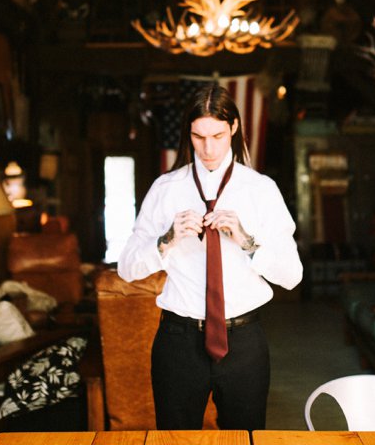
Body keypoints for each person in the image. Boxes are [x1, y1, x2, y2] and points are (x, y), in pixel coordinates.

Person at [118, 84, 302, 430]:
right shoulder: (165, 189)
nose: (207, 148)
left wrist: (248, 242)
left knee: (245, 441)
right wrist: (166, 240)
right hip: (178, 341)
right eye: (198, 136)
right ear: (188, 134)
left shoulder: (261, 190)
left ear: (233, 128)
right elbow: (127, 268)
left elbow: (293, 275)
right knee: (175, 441)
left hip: (244, 342)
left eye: (217, 135)